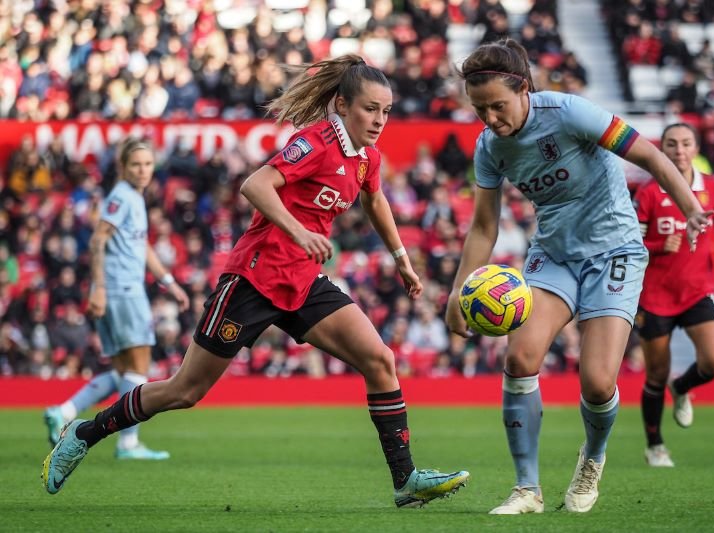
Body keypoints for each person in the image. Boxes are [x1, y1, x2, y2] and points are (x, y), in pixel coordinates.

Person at [43, 55, 469, 508]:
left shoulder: (367, 158)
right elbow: (256, 184)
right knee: (184, 391)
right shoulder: (316, 142)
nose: (380, 120)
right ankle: (83, 434)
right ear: (342, 105)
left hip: (303, 281)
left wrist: (402, 258)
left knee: (380, 360)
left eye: (386, 111)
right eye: (370, 109)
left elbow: (376, 199)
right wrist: (299, 230)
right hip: (254, 278)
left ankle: (405, 480)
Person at [444, 38, 712, 514]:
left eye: (498, 106)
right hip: (555, 255)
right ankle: (527, 490)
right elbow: (485, 226)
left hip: (616, 252)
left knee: (595, 381)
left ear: (524, 89)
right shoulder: (489, 147)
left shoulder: (569, 113)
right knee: (521, 356)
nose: (490, 119)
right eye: (479, 109)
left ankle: (593, 459)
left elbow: (647, 154)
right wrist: (459, 291)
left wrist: (690, 206)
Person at [44, 137, 190, 460]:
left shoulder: (133, 198)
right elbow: (97, 241)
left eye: (148, 164)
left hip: (118, 289)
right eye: (136, 164)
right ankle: (128, 443)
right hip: (121, 290)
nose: (142, 170)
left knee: (124, 370)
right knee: (139, 366)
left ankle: (64, 411)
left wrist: (168, 282)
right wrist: (99, 287)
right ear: (123, 166)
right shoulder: (122, 197)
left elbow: (141, 247)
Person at [634, 123, 714, 467]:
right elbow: (632, 243)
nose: (679, 150)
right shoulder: (649, 192)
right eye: (671, 144)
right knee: (655, 375)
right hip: (655, 295)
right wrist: (659, 245)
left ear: (696, 149)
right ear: (661, 150)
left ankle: (682, 389)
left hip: (698, 290)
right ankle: (654, 445)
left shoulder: (712, 186)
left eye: (685, 143)